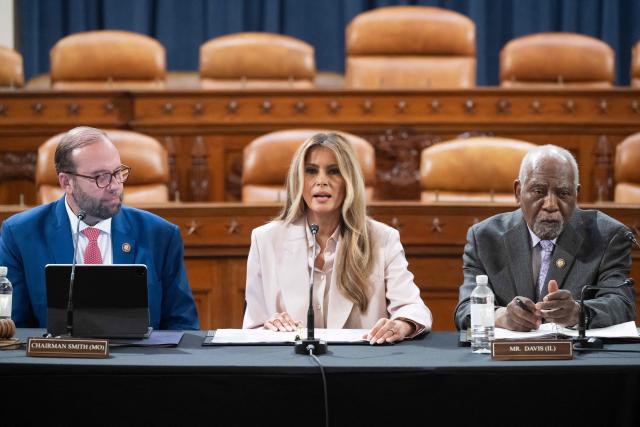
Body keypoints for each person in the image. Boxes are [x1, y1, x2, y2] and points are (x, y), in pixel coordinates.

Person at [0, 126, 199, 330]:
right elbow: (15, 329)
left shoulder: (161, 236)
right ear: (66, 182)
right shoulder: (21, 235)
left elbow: (182, 325)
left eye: (118, 172)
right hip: (57, 359)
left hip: (138, 360)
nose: (115, 185)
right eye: (100, 177)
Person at [243, 132, 431, 344]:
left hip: (360, 365)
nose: (321, 181)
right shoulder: (265, 240)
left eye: (334, 172)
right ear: (298, 179)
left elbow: (414, 308)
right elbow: (253, 325)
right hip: (291, 366)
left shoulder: (383, 239)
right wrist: (270, 325)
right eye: (311, 171)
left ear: (349, 180)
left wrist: (400, 324)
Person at [455, 144, 635, 331]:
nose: (550, 205)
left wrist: (578, 313)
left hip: (575, 358)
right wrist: (499, 317)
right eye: (538, 191)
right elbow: (465, 309)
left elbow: (621, 304)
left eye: (563, 193)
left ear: (576, 195)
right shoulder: (484, 238)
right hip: (507, 358)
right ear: (518, 192)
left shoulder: (607, 236)